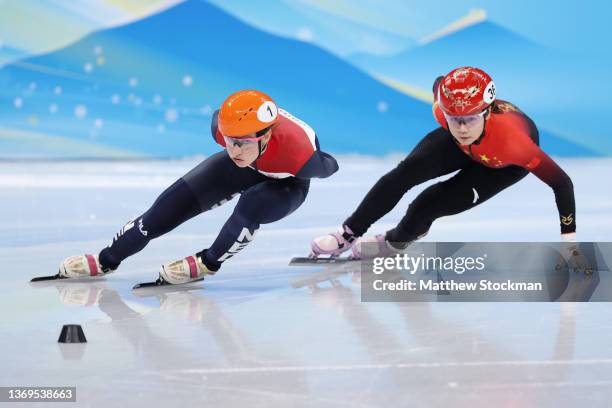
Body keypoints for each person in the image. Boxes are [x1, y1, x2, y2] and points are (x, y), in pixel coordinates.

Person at [311, 67, 589, 271]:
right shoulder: (445, 112)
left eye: (469, 119)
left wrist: (571, 245)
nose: (463, 127)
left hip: (501, 164)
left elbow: (562, 183)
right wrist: (453, 117)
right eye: (454, 119)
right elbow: (440, 84)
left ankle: (392, 243)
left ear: (487, 112)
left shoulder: (517, 144)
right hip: (459, 147)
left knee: (426, 206)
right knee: (403, 174)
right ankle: (347, 234)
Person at [59, 90, 339, 284]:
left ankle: (208, 262)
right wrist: (238, 146)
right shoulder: (223, 129)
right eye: (229, 140)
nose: (234, 148)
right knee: (162, 211)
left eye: (242, 142)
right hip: (247, 170)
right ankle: (106, 259)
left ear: (266, 135)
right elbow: (233, 139)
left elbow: (330, 165)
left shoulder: (302, 157)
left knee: (252, 205)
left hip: (288, 183)